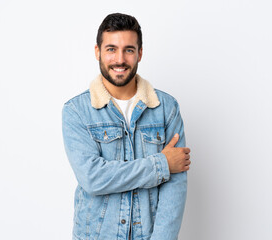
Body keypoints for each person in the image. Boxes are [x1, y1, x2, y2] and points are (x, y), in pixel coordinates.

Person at [62, 13, 191, 240]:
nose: (119, 59)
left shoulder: (166, 108)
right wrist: (161, 164)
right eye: (111, 49)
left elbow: (176, 187)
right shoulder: (76, 111)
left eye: (128, 50)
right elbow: (93, 178)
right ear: (97, 52)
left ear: (139, 53)